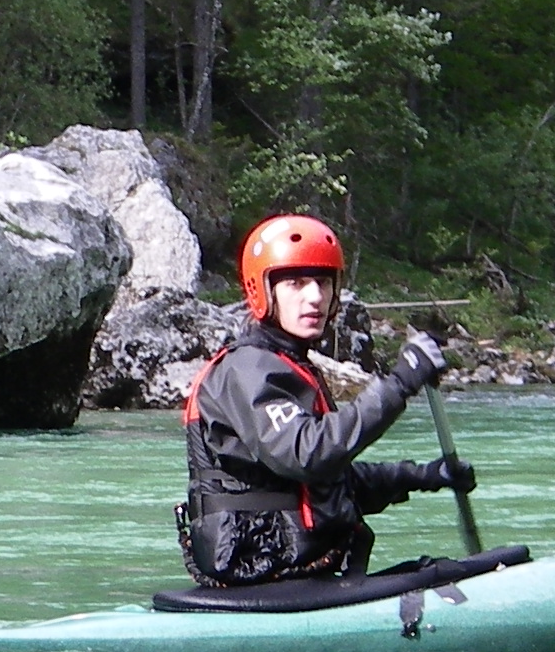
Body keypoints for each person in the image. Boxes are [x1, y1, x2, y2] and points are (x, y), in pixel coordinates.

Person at [177, 215, 474, 587]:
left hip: (292, 568)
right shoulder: (247, 369)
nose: (315, 296)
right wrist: (399, 384)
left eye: (323, 282)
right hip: (259, 571)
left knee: (456, 568)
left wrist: (422, 476)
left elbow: (328, 484)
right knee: (444, 573)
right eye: (296, 283)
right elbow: (307, 454)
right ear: (263, 291)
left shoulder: (287, 366)